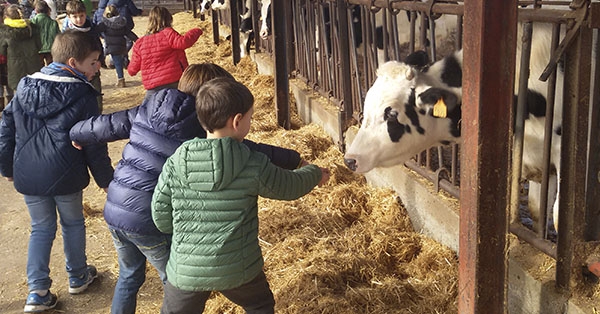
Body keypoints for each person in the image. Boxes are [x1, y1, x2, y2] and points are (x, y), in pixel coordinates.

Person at [69, 63, 308, 314]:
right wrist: (293, 160)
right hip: (147, 217)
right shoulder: (200, 128)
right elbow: (251, 151)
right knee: (178, 284)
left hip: (117, 210)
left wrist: (77, 133)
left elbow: (108, 124)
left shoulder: (153, 106)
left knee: (129, 276)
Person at [151, 77, 330, 314]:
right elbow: (289, 186)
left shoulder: (176, 161)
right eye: (250, 117)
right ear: (237, 121)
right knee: (259, 305)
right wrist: (314, 173)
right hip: (238, 269)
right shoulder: (251, 163)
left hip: (186, 269)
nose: (250, 123)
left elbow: (160, 216)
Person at [0, 30, 113, 313]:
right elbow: (93, 143)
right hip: (66, 174)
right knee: (73, 223)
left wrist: (7, 167)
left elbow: (5, 128)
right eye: (93, 62)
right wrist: (105, 180)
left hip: (29, 174)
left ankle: (37, 291)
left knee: (41, 228)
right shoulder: (83, 94)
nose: (97, 67)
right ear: (73, 63)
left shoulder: (24, 85)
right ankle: (77, 275)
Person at [128, 6, 202, 97]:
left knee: (149, 109)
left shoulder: (140, 43)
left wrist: (130, 69)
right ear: (168, 19)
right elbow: (183, 42)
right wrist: (196, 31)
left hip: (153, 87)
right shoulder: (168, 33)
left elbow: (132, 69)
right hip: (174, 81)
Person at [63, 0, 103, 112]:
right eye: (75, 16)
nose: (79, 19)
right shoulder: (67, 34)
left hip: (92, 70)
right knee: (78, 103)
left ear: (86, 14)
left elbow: (98, 47)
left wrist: (99, 60)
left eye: (81, 16)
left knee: (96, 99)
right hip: (75, 74)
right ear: (68, 17)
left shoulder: (92, 29)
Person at [0, 4, 43, 94]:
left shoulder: (5, 32)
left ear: (6, 16)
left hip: (15, 70)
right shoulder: (33, 28)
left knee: (19, 95)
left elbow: (2, 51)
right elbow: (40, 45)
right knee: (33, 93)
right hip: (33, 66)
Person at [97, 4, 138, 87]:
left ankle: (121, 80)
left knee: (117, 62)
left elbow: (96, 30)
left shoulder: (105, 23)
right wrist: (137, 40)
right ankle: (121, 70)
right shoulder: (122, 23)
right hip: (122, 46)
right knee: (118, 61)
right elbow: (129, 33)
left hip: (111, 46)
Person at [30, 0, 59, 66]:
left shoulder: (32, 22)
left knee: (39, 68)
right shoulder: (53, 23)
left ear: (36, 11)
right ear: (48, 10)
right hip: (50, 49)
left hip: (37, 49)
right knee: (51, 67)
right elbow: (58, 36)